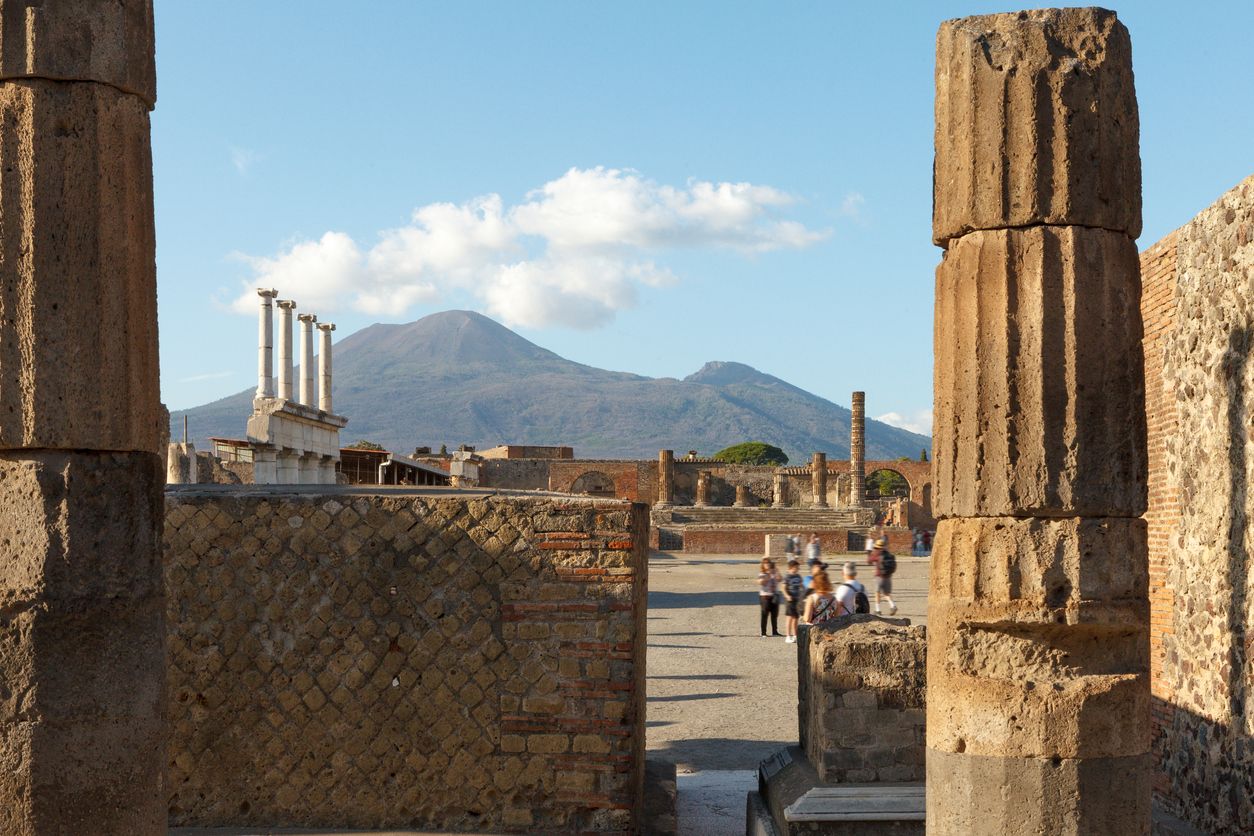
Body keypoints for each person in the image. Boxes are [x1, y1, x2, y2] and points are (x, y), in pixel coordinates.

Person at [867, 538, 898, 615]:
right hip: (888, 576)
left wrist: (870, 552)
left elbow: (869, 561)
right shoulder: (888, 554)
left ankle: (878, 610)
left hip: (879, 576)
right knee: (886, 593)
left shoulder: (876, 553)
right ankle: (893, 605)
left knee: (877, 593)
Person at [758, 557, 782, 637]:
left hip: (774, 595)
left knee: (774, 615)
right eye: (765, 563)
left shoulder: (774, 573)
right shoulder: (762, 574)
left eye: (768, 563)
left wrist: (777, 571)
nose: (767, 565)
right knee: (764, 614)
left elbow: (780, 579)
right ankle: (763, 632)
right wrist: (768, 574)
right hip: (765, 596)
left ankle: (775, 631)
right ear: (763, 565)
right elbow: (761, 582)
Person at [782, 559, 805, 643]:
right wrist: (787, 595)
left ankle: (795, 635)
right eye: (796, 567)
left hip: (797, 599)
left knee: (796, 618)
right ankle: (788, 636)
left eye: (798, 567)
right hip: (790, 600)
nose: (798, 569)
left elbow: (802, 586)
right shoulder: (787, 576)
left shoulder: (798, 576)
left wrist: (805, 593)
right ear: (791, 567)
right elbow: (783, 588)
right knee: (789, 618)